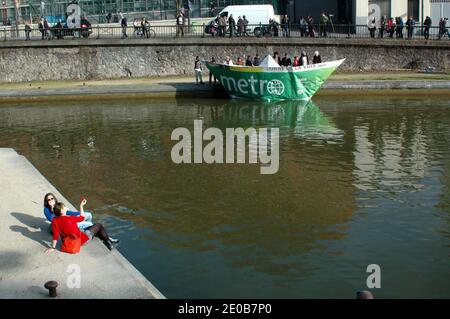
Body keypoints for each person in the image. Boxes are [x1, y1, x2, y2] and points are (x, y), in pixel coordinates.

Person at [45, 199, 119, 254]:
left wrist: (53, 248)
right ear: (61, 211)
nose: (66, 207)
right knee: (98, 225)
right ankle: (108, 241)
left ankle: (107, 240)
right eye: (64, 206)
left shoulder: (55, 221)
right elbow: (82, 217)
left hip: (68, 242)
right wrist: (81, 206)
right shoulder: (70, 218)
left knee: (93, 229)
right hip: (80, 241)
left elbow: (55, 236)